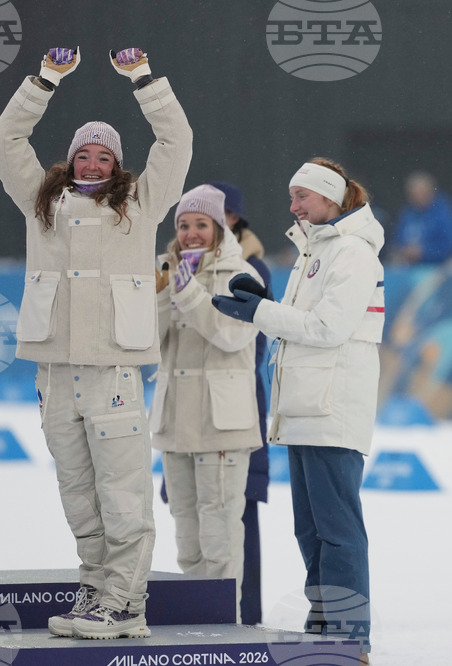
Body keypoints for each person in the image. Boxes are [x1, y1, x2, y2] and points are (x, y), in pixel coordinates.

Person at [0, 46, 192, 639]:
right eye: (85, 151)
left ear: (118, 165)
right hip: (54, 375)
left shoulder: (142, 203)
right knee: (79, 495)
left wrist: (143, 80)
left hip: (112, 376)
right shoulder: (41, 203)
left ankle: (126, 604)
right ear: (70, 158)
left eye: (106, 155)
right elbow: (8, 140)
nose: (95, 161)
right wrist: (45, 80)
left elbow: (175, 141)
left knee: (123, 494)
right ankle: (95, 593)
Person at [212, 158, 383, 664]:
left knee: (338, 532)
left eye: (301, 197)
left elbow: (328, 328)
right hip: (307, 408)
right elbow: (304, 322)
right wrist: (265, 303)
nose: (293, 207)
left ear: (329, 198)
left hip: (333, 409)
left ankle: (349, 640)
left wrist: (261, 313)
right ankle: (324, 628)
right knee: (311, 532)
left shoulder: (352, 252)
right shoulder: (316, 249)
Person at [149, 184, 262, 622]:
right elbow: (148, 346)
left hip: (222, 426)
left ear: (219, 227)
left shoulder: (243, 275)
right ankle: (194, 624)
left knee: (220, 537)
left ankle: (223, 626)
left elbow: (231, 335)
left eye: (201, 224)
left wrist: (189, 293)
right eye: (183, 225)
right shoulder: (166, 270)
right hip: (176, 424)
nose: (191, 233)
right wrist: (161, 295)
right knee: (188, 538)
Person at [209, 180, 273, 626]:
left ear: (233, 219)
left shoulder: (253, 270)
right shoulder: (175, 265)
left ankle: (245, 623)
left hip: (237, 408)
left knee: (239, 520)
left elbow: (254, 348)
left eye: (215, 216)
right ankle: (197, 617)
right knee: (194, 524)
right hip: (191, 414)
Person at [392, 171, 452, 264]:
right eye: (413, 194)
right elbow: (397, 239)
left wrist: (424, 252)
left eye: (421, 193)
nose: (417, 198)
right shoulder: (407, 212)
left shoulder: (442, 212)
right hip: (409, 268)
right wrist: (402, 251)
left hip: (437, 268)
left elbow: (450, 244)